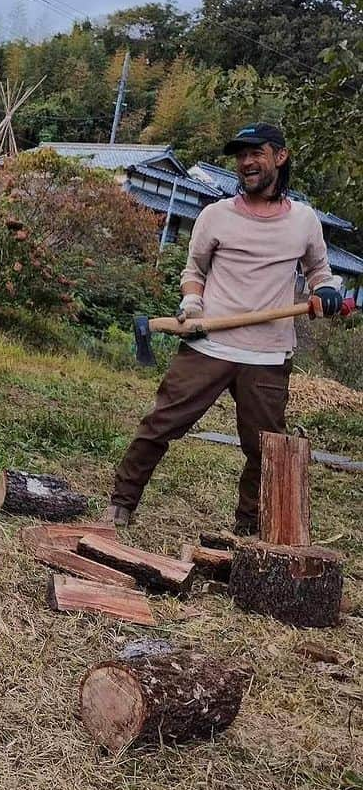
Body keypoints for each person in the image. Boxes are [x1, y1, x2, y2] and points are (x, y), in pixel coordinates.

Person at [108, 123, 342, 534]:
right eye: (241, 156)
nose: (246, 163)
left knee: (265, 450)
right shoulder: (215, 215)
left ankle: (248, 529)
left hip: (268, 354)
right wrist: (192, 302)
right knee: (160, 424)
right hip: (208, 343)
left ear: (280, 157)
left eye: (256, 153)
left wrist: (326, 293)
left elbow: (319, 272)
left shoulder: (305, 222)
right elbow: (193, 271)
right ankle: (120, 505)